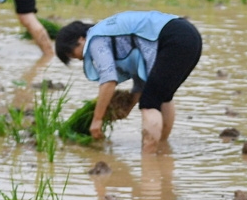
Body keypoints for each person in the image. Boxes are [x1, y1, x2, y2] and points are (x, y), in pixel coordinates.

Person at [54, 12, 203, 150]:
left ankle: (149, 159)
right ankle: (162, 150)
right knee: (163, 96)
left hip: (173, 38)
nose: (76, 58)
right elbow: (142, 81)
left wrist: (97, 119)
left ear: (81, 39)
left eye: (70, 53)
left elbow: (108, 80)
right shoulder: (110, 33)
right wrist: (129, 106)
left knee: (149, 103)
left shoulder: (95, 40)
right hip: (190, 35)